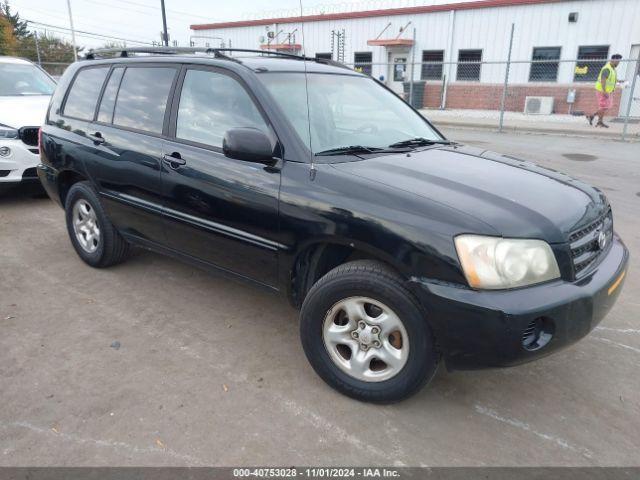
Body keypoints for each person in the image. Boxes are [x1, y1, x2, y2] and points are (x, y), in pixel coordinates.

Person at [586, 54, 623, 128]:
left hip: (608, 91)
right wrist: (604, 91)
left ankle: (591, 117)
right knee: (603, 106)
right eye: (618, 62)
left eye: (619, 62)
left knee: (606, 107)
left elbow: (611, 79)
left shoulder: (613, 69)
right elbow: (603, 80)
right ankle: (600, 122)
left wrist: (620, 81)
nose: (618, 64)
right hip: (602, 90)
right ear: (613, 60)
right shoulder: (607, 68)